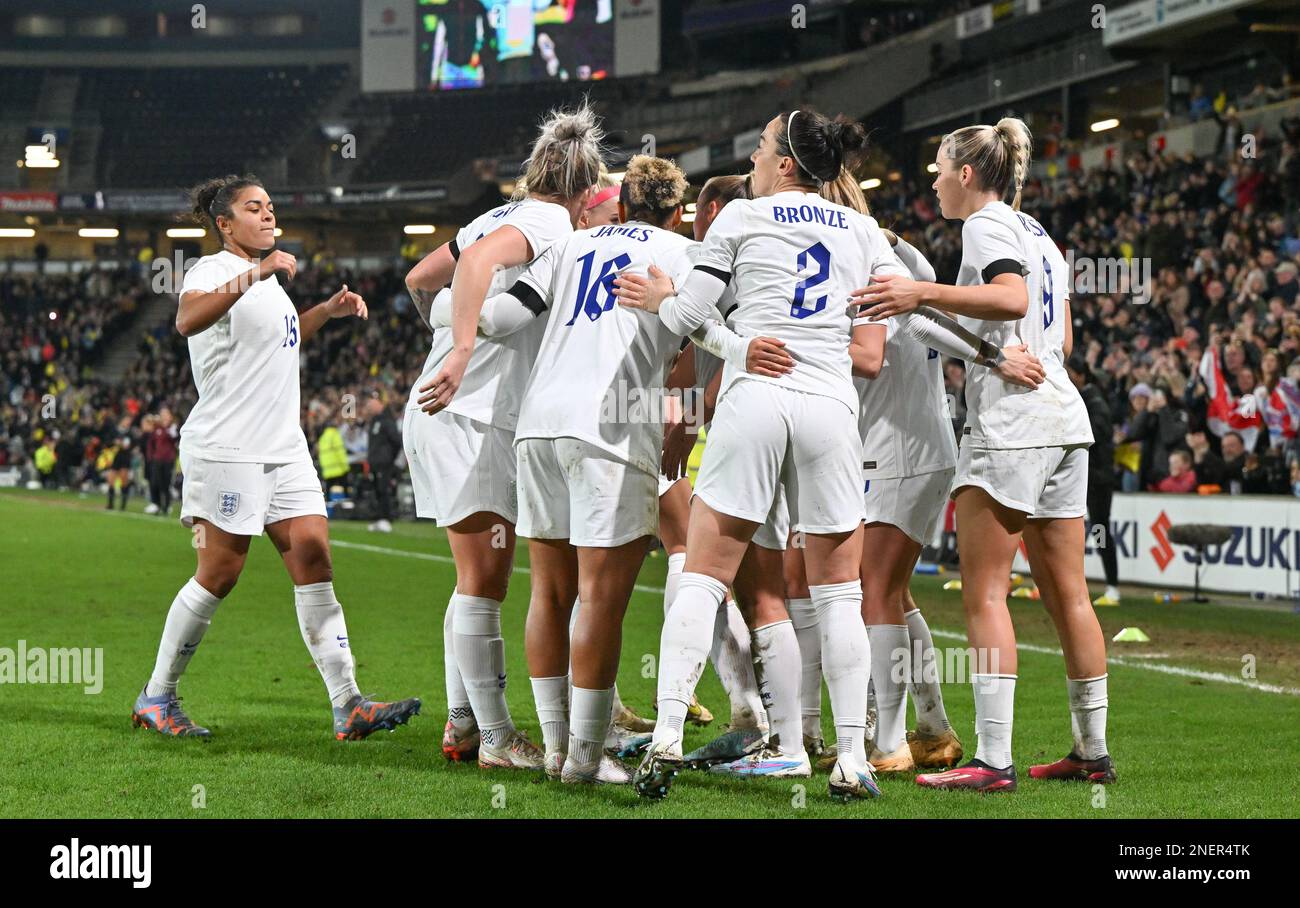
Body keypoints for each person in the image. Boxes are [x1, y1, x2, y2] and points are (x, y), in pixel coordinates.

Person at [616, 107, 909, 802]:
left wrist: (667, 300)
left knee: (704, 578)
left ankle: (663, 743)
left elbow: (688, 319)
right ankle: (849, 760)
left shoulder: (742, 218)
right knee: (840, 595)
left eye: (760, 146)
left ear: (785, 164)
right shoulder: (865, 230)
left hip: (755, 398)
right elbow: (896, 309)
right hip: (830, 407)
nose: (750, 157)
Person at [853, 118, 1116, 791]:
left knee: (985, 593)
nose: (935, 181)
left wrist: (923, 291)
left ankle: (993, 760)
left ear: (967, 174)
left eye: (940, 170)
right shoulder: (1042, 236)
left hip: (1013, 425)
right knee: (1070, 596)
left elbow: (1011, 298)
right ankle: (1092, 750)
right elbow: (1052, 331)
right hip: (1064, 417)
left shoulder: (986, 224)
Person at [132, 174, 420, 740]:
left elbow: (280, 344)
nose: (268, 216)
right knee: (219, 571)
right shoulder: (215, 271)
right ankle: (157, 696)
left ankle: (348, 703)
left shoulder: (266, 285)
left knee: (314, 559)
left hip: (284, 447)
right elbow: (186, 320)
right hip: (229, 446)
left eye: (270, 208)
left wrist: (324, 312)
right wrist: (256, 271)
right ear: (224, 223)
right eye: (253, 208)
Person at [403, 104, 604, 770]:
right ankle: (495, 739)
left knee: (473, 579)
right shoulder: (548, 224)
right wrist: (462, 350)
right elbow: (482, 264)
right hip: (471, 410)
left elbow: (420, 278)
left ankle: (463, 725)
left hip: (450, 406)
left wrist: (444, 334)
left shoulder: (494, 213)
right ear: (584, 191)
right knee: (484, 579)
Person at [1067, 354, 1120, 605]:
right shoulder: (1086, 399)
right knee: (1084, 529)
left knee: (1100, 528)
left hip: (1097, 479)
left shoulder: (1094, 402)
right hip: (1088, 476)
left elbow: (1100, 434)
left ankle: (1112, 585)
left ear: (1080, 375)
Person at [364, 392, 401, 533]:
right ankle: (378, 519)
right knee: (376, 491)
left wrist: (389, 458)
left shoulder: (387, 420)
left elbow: (397, 441)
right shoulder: (375, 420)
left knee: (383, 490)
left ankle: (386, 519)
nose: (369, 405)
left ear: (380, 403)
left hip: (384, 463)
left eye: (372, 401)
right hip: (374, 462)